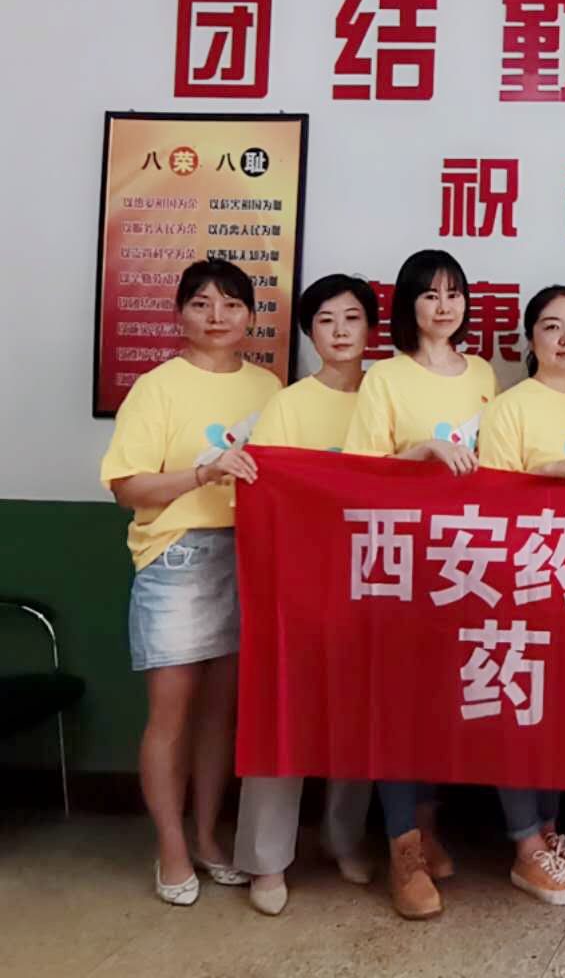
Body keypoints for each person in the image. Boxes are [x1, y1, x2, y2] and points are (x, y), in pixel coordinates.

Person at [100, 258, 281, 905]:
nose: (217, 316)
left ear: (251, 316)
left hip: (249, 558)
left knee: (220, 717)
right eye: (202, 304)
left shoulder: (269, 387)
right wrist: (202, 474)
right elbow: (128, 487)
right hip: (176, 559)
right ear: (180, 315)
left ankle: (207, 837)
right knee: (170, 719)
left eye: (231, 304)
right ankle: (171, 848)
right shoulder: (158, 387)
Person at [342, 248, 497, 920]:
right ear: (408, 305)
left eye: (453, 293)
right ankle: (401, 848)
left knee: (441, 704)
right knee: (398, 706)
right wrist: (423, 453)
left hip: (468, 564)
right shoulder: (386, 377)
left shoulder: (484, 373)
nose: (443, 306)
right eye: (430, 294)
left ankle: (428, 828)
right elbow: (358, 475)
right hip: (400, 563)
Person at [232, 275, 381, 916]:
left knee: (358, 719)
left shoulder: (388, 393)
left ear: (372, 327)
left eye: (353, 317)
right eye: (325, 320)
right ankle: (266, 860)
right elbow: (270, 496)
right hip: (299, 581)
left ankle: (343, 838)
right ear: (308, 332)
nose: (341, 331)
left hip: (374, 581)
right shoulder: (289, 404)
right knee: (283, 714)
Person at [478, 284, 565, 904]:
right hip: (526, 581)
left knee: (560, 714)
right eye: (552, 326)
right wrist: (551, 473)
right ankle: (524, 845)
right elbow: (488, 499)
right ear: (529, 339)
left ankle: (551, 833)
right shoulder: (512, 407)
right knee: (519, 710)